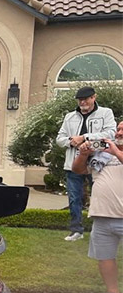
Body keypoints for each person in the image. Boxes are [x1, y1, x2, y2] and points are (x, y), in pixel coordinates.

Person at [72, 119, 123, 293]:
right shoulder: (101, 155)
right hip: (102, 215)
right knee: (105, 256)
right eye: (118, 129)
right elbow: (77, 170)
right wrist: (83, 155)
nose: (118, 133)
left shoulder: (111, 152)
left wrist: (115, 152)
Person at [56, 86, 117, 241]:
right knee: (74, 198)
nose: (82, 102)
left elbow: (111, 134)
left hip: (97, 164)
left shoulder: (105, 113)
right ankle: (76, 230)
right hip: (73, 163)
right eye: (80, 99)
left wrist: (85, 137)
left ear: (93, 97)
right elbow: (59, 138)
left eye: (86, 98)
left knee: (100, 197)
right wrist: (72, 142)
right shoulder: (70, 117)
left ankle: (99, 230)